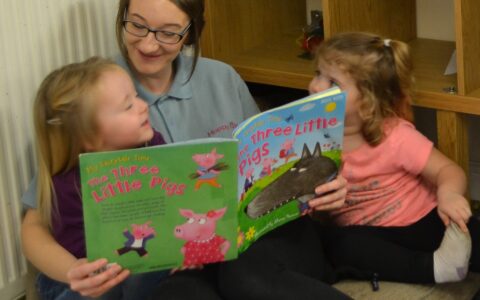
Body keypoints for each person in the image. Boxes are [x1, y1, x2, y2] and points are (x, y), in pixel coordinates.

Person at [22, 0, 260, 298]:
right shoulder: (98, 89)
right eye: (136, 24)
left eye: (169, 32)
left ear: (191, 32)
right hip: (102, 275)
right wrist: (72, 270)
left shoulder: (221, 78)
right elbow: (36, 222)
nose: (148, 44)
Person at [307, 31, 479, 286]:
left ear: (368, 102)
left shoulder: (395, 136)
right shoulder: (309, 136)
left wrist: (450, 195)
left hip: (423, 220)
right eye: (317, 74)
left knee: (470, 232)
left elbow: (448, 170)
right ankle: (433, 268)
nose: (315, 86)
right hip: (368, 233)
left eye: (332, 83)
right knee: (343, 248)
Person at [21, 57, 169, 299]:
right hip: (79, 277)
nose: (143, 106)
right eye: (128, 106)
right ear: (87, 137)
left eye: (136, 96)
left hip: (140, 260)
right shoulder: (69, 182)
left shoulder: (152, 144)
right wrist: (75, 270)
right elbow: (86, 263)